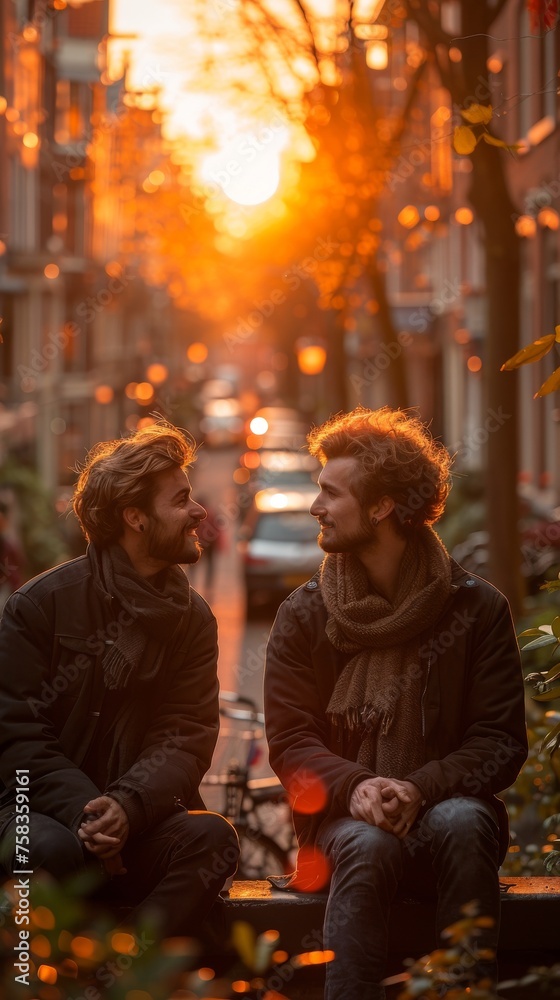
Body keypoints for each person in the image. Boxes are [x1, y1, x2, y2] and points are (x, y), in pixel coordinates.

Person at [264, 406, 528, 1000]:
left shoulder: (475, 609)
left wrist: (421, 787)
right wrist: (358, 785)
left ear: (382, 507)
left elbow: (501, 742)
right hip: (339, 824)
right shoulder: (305, 615)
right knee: (367, 839)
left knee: (460, 819)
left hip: (450, 811)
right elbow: (290, 742)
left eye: (331, 493)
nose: (316, 507)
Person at [0, 421, 239, 949]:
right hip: (32, 812)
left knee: (213, 839)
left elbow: (186, 735)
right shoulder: (39, 605)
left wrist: (127, 807)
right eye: (181, 500)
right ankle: (33, 975)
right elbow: (17, 736)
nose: (199, 512)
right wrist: (89, 810)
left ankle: (123, 969)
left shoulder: (192, 619)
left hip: (138, 818)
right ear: (135, 517)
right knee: (42, 848)